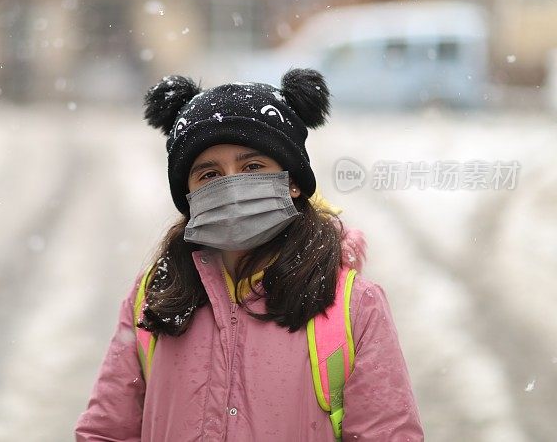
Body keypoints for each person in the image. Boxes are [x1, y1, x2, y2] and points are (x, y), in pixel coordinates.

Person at [75, 69, 424, 441]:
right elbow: (107, 432)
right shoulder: (155, 299)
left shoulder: (353, 306)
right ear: (189, 197)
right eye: (209, 174)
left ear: (292, 181)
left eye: (252, 167)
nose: (231, 185)